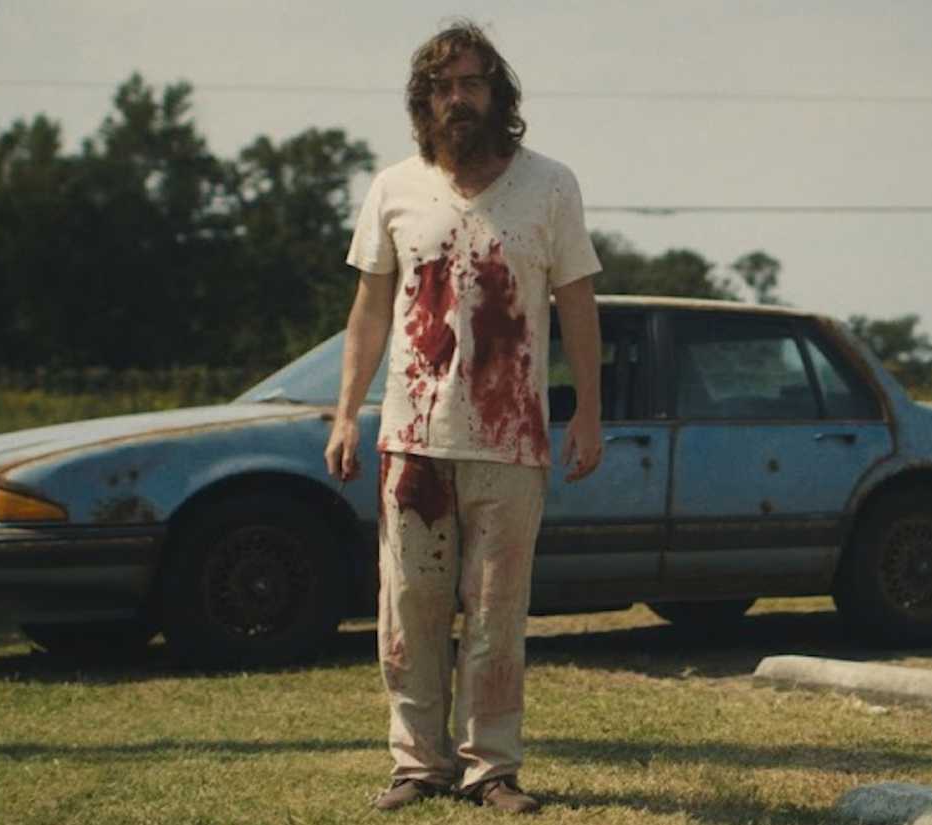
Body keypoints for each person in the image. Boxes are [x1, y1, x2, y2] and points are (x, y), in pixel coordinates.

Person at [323, 20, 603, 814]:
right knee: (408, 606)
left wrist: (588, 411)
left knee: (496, 612)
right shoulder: (394, 188)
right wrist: (347, 414)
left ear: (498, 95)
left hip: (511, 441)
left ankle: (492, 770)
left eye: (472, 84)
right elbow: (370, 309)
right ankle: (418, 763)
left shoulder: (550, 185)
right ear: (424, 100)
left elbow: (578, 304)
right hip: (410, 438)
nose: (457, 99)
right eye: (443, 87)